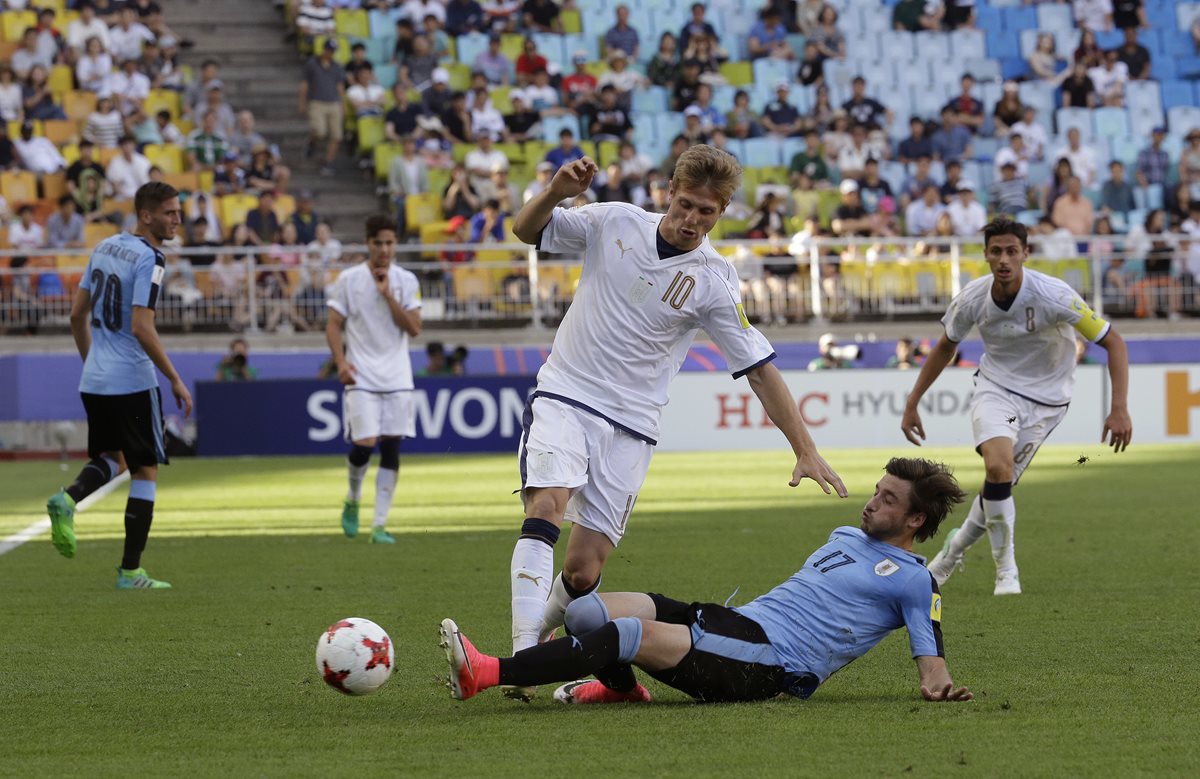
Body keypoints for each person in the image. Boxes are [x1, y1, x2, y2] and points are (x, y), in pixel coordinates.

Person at [502, 146, 848, 700]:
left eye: (706, 212)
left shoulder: (714, 280)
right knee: (546, 507)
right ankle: (522, 659)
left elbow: (760, 369)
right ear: (669, 192)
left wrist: (804, 448)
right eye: (685, 204)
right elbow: (526, 231)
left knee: (584, 573)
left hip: (632, 426)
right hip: (566, 392)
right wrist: (553, 193)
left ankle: (536, 635)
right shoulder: (614, 221)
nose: (691, 219)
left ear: (722, 211)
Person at [442, 457, 971, 706]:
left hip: (769, 663)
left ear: (915, 519)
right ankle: (622, 691)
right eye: (876, 490)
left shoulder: (914, 581)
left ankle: (487, 672)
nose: (872, 502)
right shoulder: (845, 534)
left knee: (627, 633)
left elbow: (932, 663)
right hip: (739, 623)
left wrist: (940, 686)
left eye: (888, 500)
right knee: (585, 612)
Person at [901, 217, 1132, 597]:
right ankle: (1006, 567)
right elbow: (945, 346)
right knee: (997, 467)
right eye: (996, 251)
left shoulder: (1053, 294)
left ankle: (951, 554)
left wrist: (1119, 407)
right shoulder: (973, 298)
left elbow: (1114, 342)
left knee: (998, 485)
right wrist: (913, 401)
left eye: (1012, 251)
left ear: (1026, 253)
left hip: (1047, 401)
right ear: (986, 255)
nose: (1004, 259)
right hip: (997, 390)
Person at [46, 182, 192, 590]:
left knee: (116, 458)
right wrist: (174, 378)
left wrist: (92, 363)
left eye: (178, 212)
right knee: (145, 468)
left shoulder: (105, 246)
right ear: (146, 215)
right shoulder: (151, 258)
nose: (177, 219)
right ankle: (130, 571)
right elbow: (142, 326)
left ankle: (67, 499)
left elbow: (77, 315)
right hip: (132, 380)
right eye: (169, 213)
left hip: (95, 378)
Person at [325, 215, 423, 546]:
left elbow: (414, 328)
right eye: (378, 243)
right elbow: (333, 324)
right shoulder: (349, 279)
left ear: (396, 245)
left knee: (391, 448)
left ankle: (379, 525)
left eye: (389, 243)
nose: (384, 249)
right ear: (367, 243)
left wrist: (388, 296)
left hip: (397, 376)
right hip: (361, 373)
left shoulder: (406, 280)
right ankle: (353, 497)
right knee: (364, 443)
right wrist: (340, 362)